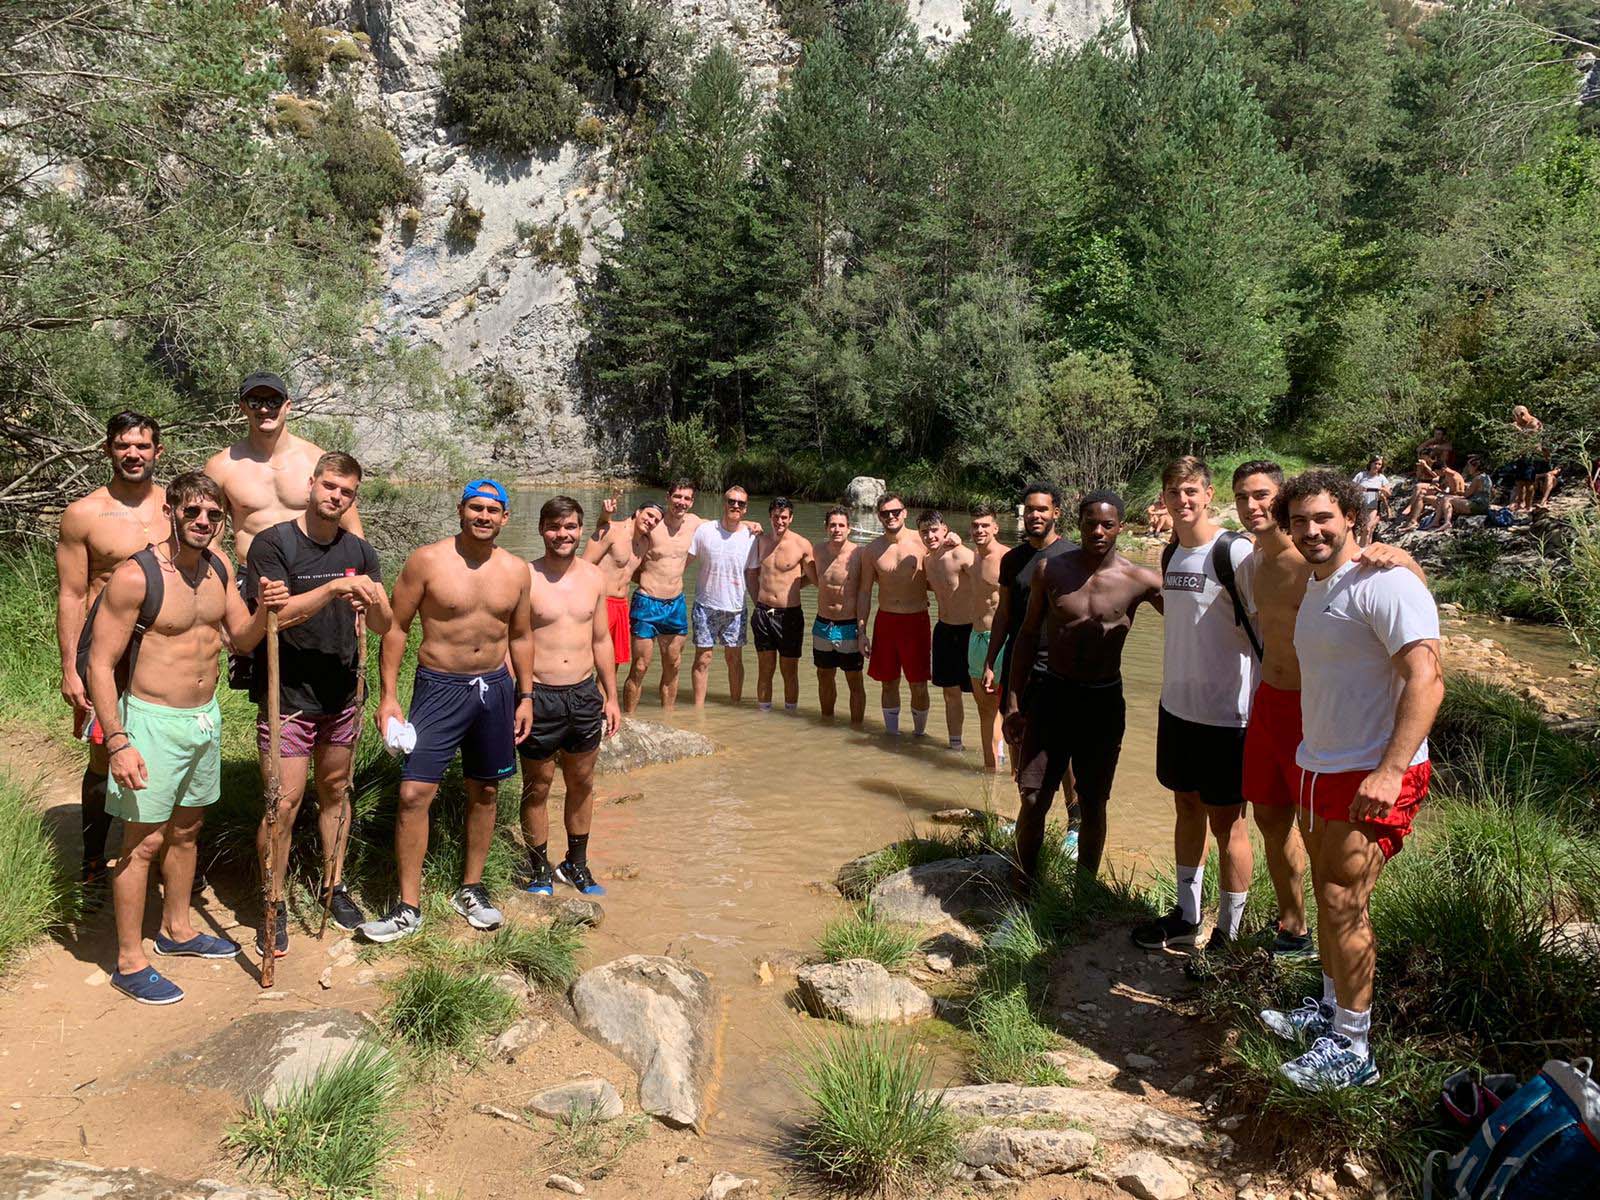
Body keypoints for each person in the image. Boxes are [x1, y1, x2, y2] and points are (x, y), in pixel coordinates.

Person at [1261, 471, 1442, 1091]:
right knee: (1329, 893)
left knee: (1344, 901)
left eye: (1323, 518)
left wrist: (1391, 771)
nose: (1311, 531)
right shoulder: (1321, 583)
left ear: (1351, 516)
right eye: (1300, 521)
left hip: (1373, 769)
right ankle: (1332, 1009)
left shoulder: (1384, 582)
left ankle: (1354, 1048)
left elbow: (1427, 678)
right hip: (1322, 762)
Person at [85, 472, 288, 1003]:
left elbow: (242, 639)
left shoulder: (220, 566)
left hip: (204, 718)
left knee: (187, 831)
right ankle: (129, 960)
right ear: (172, 512)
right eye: (193, 512)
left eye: (213, 515)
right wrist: (118, 741)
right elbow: (100, 664)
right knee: (143, 840)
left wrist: (266, 605)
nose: (203, 522)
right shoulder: (136, 576)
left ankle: (178, 930)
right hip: (150, 720)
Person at [1233, 461, 1425, 961]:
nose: (1253, 506)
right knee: (1272, 822)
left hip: (1317, 711)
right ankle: (1293, 928)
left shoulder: (1337, 565)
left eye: (1262, 496)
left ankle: (1336, 954)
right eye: (1243, 497)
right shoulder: (1254, 563)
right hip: (1270, 705)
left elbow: (1411, 620)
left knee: (1332, 857)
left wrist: (1402, 558)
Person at [362, 479, 535, 943]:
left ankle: (471, 890)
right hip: (439, 687)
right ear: (461, 511)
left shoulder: (517, 571)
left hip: (495, 689)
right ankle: (407, 906)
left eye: (492, 510)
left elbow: (520, 636)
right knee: (415, 794)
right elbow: (396, 627)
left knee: (486, 791)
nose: (483, 516)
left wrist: (525, 696)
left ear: (504, 518)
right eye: (475, 508)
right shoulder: (428, 561)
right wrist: (389, 697)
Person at [246, 452, 392, 959]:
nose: (336, 497)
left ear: (354, 499)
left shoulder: (359, 550)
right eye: (329, 486)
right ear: (311, 485)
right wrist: (333, 588)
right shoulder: (274, 544)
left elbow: (383, 625)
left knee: (335, 790)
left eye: (346, 492)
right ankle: (275, 897)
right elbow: (275, 619)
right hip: (287, 694)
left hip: (342, 694)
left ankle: (334, 883)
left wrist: (371, 601)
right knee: (281, 802)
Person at [1005, 491, 1161, 890]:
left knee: (1093, 802)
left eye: (1107, 524)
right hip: (1052, 693)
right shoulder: (1049, 570)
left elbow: (1196, 619)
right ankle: (1022, 884)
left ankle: (1083, 893)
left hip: (1102, 700)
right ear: (1078, 523)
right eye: (1090, 522)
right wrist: (1013, 703)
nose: (1098, 531)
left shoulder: (1140, 580)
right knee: (1034, 798)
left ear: (1120, 527)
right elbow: (1025, 635)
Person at [1133, 457, 1257, 953]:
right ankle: (1186, 916)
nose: (1181, 500)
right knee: (1185, 807)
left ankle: (1230, 934)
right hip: (1176, 708)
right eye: (1171, 491)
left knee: (1229, 825)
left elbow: (1272, 620)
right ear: (1162, 499)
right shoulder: (1170, 555)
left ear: (1208, 495)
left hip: (1230, 715)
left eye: (1190, 491)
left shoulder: (1236, 552)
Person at [56, 411, 167, 889]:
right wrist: (69, 668)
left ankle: (161, 853)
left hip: (164, 650)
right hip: (105, 651)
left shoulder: (176, 507)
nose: (133, 454)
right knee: (105, 753)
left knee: (164, 749)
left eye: (142, 446)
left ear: (157, 452)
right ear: (108, 450)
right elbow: (71, 593)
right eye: (123, 445)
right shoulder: (85, 514)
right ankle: (93, 862)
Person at [518, 497, 623, 899]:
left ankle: (575, 865)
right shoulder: (526, 577)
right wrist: (523, 695)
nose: (563, 535)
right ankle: (538, 868)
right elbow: (517, 640)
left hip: (582, 694)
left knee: (582, 783)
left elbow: (601, 640)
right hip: (539, 693)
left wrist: (610, 697)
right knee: (538, 786)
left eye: (571, 527)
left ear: (581, 529)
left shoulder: (594, 578)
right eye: (554, 527)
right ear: (541, 529)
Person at [204, 372, 364, 565]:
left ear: (287, 406)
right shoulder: (222, 466)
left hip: (312, 573)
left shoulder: (317, 461)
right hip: (255, 575)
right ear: (243, 407)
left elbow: (354, 533)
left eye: (274, 401)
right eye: (255, 401)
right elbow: (210, 539)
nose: (264, 409)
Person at [981, 485, 1072, 764]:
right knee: (1016, 732)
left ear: (1055, 512)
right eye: (1030, 509)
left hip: (1060, 664)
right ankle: (1023, 801)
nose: (1035, 515)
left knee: (1062, 742)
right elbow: (1004, 614)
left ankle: (1073, 807)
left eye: (1042, 509)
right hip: (1018, 660)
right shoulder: (1012, 560)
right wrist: (990, 661)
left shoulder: (1073, 557)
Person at [856, 493, 932, 736]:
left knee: (918, 684)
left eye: (895, 512)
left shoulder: (923, 542)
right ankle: (892, 736)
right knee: (888, 682)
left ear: (905, 512)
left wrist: (953, 540)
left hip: (917, 619)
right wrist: (861, 631)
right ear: (879, 516)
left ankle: (919, 736)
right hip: (886, 621)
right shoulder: (872, 550)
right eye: (885, 513)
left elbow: (948, 566)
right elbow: (865, 592)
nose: (891, 517)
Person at [688, 485, 759, 706]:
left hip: (736, 608)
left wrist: (760, 607)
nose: (735, 506)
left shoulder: (752, 536)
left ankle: (735, 705)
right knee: (703, 658)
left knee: (734, 659)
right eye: (731, 501)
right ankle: (698, 710)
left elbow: (752, 575)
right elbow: (682, 561)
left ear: (746, 509)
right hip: (705, 604)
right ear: (724, 502)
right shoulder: (705, 530)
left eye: (740, 503)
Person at [582, 498, 664, 674]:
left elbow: (631, 573)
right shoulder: (612, 530)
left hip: (621, 606)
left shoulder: (644, 543)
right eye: (649, 515)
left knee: (611, 665)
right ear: (637, 512)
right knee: (586, 660)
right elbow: (583, 566)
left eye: (656, 521)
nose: (651, 522)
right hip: (600, 603)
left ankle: (605, 702)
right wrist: (604, 515)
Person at [749, 497, 816, 712]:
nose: (780, 521)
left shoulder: (801, 544)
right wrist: (756, 602)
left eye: (784, 517)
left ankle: (790, 716)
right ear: (770, 516)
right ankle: (763, 716)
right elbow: (752, 574)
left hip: (789, 615)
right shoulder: (760, 541)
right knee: (765, 669)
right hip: (762, 613)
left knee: (789, 671)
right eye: (776, 517)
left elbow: (814, 578)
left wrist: (794, 586)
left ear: (791, 518)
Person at [920, 511, 977, 750]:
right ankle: (956, 746)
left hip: (970, 630)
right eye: (925, 531)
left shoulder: (961, 554)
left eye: (934, 530)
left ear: (945, 529)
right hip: (944, 631)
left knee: (982, 693)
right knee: (950, 693)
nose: (930, 535)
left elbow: (988, 583)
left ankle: (998, 749)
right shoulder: (927, 561)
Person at [813, 506, 867, 726]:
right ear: (826, 528)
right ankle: (827, 723)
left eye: (841, 525)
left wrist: (862, 630)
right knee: (824, 676)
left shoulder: (860, 554)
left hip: (848, 625)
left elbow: (879, 581)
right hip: (823, 624)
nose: (837, 529)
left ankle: (856, 727)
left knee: (854, 679)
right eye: (832, 525)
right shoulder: (817, 551)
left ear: (849, 529)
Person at [965, 505, 1009, 771]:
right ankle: (990, 769)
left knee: (1004, 706)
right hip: (976, 636)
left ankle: (1009, 766)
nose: (979, 530)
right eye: (975, 526)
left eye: (984, 525)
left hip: (1000, 638)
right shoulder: (972, 557)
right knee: (984, 708)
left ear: (995, 527)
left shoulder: (1007, 558)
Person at [1432, 455, 1492, 529]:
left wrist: (1458, 492)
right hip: (1483, 504)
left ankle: (1446, 522)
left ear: (1475, 467)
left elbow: (1466, 494)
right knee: (1446, 498)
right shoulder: (1486, 477)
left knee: (1447, 499)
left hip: (1477, 506)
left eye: (1469, 466)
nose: (1468, 469)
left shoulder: (1477, 479)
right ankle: (1436, 522)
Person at [1350, 456, 1390, 546]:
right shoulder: (1361, 475)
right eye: (1375, 463)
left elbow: (1388, 493)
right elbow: (1350, 486)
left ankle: (1362, 549)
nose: (1377, 466)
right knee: (1354, 527)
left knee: (1367, 529)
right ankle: (1353, 547)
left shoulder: (1381, 478)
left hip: (1373, 506)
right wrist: (1359, 488)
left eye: (1379, 464)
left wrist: (1382, 490)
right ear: (1370, 464)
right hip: (1359, 504)